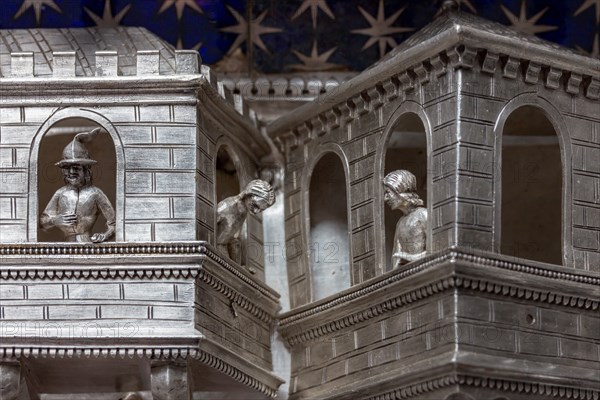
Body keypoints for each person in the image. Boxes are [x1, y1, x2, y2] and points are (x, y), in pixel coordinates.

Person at [41, 128, 115, 243]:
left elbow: (114, 223)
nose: (71, 172)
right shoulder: (60, 193)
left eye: (76, 167)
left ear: (86, 170)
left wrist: (105, 235)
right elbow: (43, 223)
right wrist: (54, 220)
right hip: (65, 248)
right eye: (67, 168)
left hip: (88, 246)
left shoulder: (95, 193)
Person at [217, 179, 275, 263]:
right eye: (254, 205)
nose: (256, 212)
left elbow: (231, 240)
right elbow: (219, 242)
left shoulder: (243, 211)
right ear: (247, 194)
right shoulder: (228, 207)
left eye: (261, 210)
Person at [383, 170, 427, 268]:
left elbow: (439, 250)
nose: (385, 198)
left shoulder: (423, 214)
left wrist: (411, 258)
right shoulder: (400, 223)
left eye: (388, 192)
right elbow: (396, 260)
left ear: (400, 190)